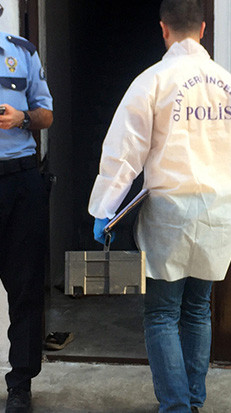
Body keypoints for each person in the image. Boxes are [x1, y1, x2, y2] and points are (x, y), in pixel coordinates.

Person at [87, 0, 231, 411]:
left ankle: (175, 407)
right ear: (204, 28)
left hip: (170, 213)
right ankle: (192, 402)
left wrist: (105, 207)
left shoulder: (152, 81)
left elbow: (124, 152)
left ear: (163, 29)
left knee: (161, 313)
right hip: (219, 210)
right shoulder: (228, 84)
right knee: (197, 310)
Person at [0, 6, 54, 413]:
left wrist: (21, 119)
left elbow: (46, 115)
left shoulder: (23, 52)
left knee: (25, 287)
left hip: (20, 180)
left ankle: (20, 385)